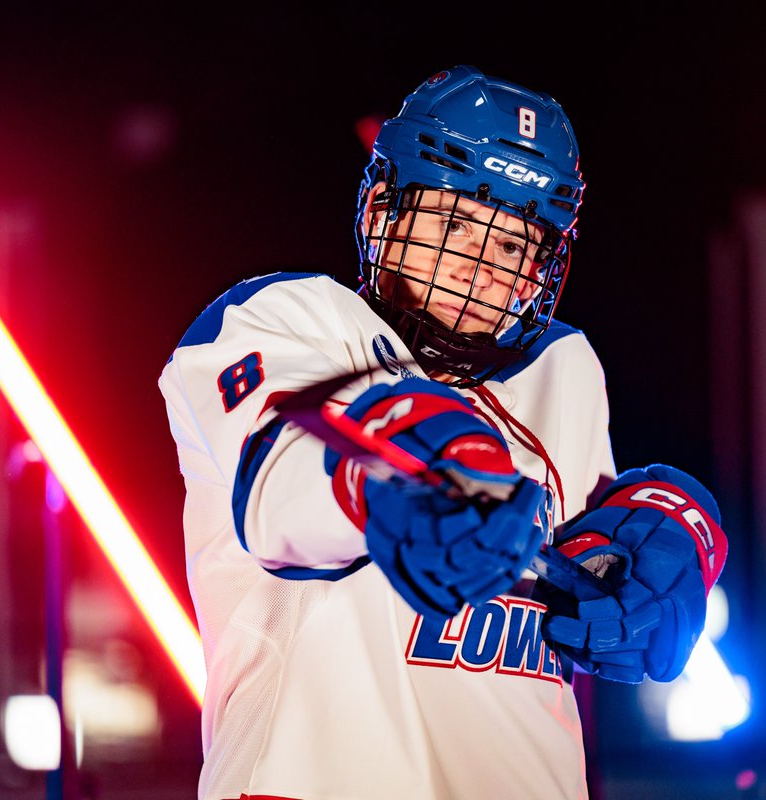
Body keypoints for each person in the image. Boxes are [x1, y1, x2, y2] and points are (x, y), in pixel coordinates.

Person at [159, 65, 727, 800]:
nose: (481, 267)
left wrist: (674, 529)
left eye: (515, 244)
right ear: (386, 211)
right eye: (456, 223)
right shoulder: (280, 319)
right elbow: (287, 480)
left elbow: (604, 548)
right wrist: (408, 467)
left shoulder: (564, 368)